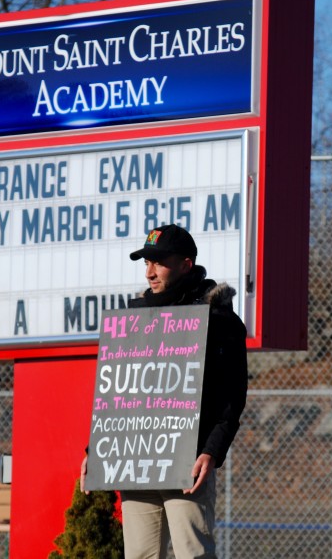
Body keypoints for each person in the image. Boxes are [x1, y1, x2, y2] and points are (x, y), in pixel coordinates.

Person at [80, 223, 248, 559]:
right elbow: (120, 396)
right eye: (145, 263)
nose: (149, 272)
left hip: (187, 465)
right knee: (140, 555)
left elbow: (232, 399)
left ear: (186, 264)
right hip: (135, 465)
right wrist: (95, 449)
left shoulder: (218, 320)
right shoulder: (135, 320)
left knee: (192, 553)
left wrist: (210, 451)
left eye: (159, 262)